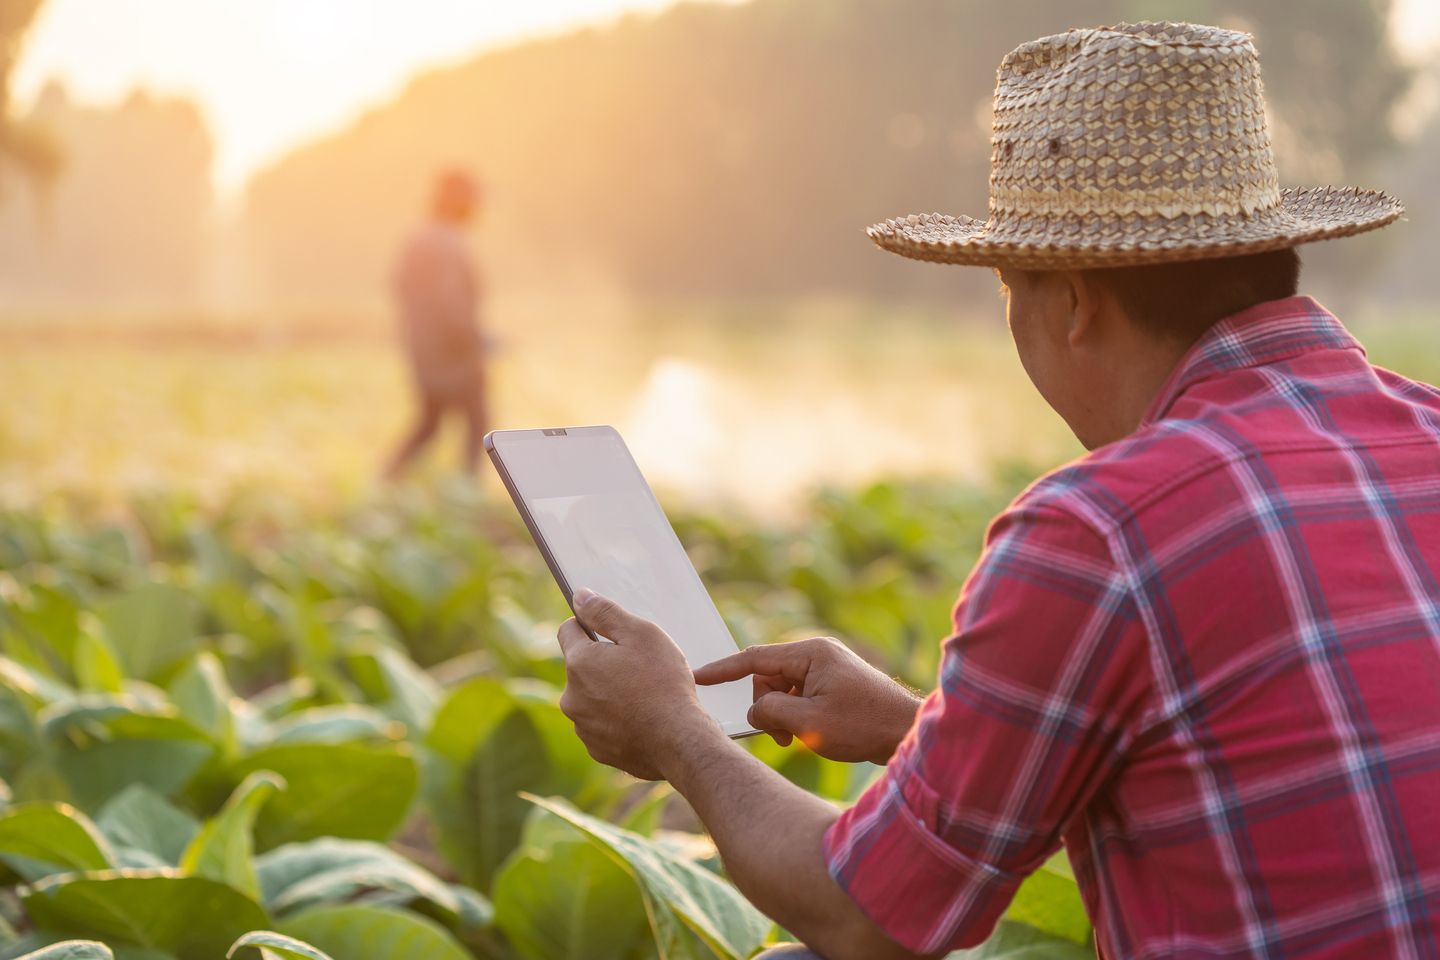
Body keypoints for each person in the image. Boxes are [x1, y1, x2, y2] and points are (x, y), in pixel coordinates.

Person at [550, 21, 1440, 960]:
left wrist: (676, 734)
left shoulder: (1098, 529)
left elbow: (864, 918)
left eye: (1007, 292)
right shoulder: (1426, 428)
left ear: (1072, 303)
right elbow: (1257, 788)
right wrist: (912, 729)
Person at [384, 169, 490, 481]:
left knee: (429, 423)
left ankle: (386, 480)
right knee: (477, 422)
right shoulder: (448, 243)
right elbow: (451, 302)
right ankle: (468, 489)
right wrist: (475, 337)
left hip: (424, 351)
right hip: (452, 355)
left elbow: (401, 289)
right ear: (461, 203)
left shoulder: (419, 238)